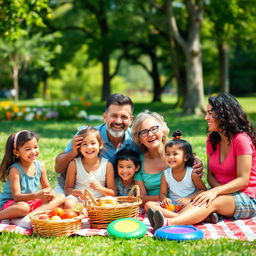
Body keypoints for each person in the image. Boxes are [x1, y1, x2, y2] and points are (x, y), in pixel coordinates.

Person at [148, 93, 256, 230]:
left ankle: (167, 223)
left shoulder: (241, 140)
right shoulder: (212, 139)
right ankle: (191, 217)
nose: (206, 118)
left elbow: (243, 180)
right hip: (221, 193)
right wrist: (215, 191)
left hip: (247, 196)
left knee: (211, 201)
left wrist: (215, 192)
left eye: (210, 113)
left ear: (224, 114)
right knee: (202, 199)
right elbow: (210, 176)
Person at [54, 94, 140, 194]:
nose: (118, 121)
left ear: (131, 120)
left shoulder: (136, 140)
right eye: (114, 116)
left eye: (124, 117)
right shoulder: (88, 135)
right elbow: (58, 168)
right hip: (75, 191)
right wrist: (73, 152)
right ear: (105, 117)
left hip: (106, 194)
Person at [132, 110, 203, 203]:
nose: (150, 134)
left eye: (154, 128)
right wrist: (165, 199)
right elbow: (142, 197)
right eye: (144, 132)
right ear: (139, 139)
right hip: (159, 205)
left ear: (163, 132)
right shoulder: (138, 162)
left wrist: (196, 160)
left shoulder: (178, 153)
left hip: (188, 202)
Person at [145, 130, 207, 227]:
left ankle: (170, 219)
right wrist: (165, 199)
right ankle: (180, 217)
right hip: (172, 206)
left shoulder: (191, 173)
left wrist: (188, 199)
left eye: (175, 154)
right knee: (149, 205)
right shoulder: (165, 174)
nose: (170, 157)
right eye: (167, 154)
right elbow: (162, 194)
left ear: (185, 157)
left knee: (199, 206)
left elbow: (203, 190)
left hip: (189, 205)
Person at [0, 130, 65, 220]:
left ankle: (29, 217)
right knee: (23, 207)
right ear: (16, 152)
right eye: (28, 149)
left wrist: (50, 194)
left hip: (30, 202)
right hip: (12, 204)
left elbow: (47, 188)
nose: (33, 151)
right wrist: (37, 195)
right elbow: (16, 197)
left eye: (35, 147)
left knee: (60, 197)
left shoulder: (40, 166)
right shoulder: (15, 170)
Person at [64, 126, 116, 208]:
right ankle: (83, 214)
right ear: (79, 147)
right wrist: (79, 192)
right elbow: (67, 189)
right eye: (84, 144)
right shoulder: (74, 164)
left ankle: (87, 215)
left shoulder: (107, 165)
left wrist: (101, 188)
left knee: (112, 202)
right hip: (79, 201)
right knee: (68, 203)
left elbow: (113, 193)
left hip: (99, 203)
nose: (89, 147)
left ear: (100, 145)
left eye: (93, 143)